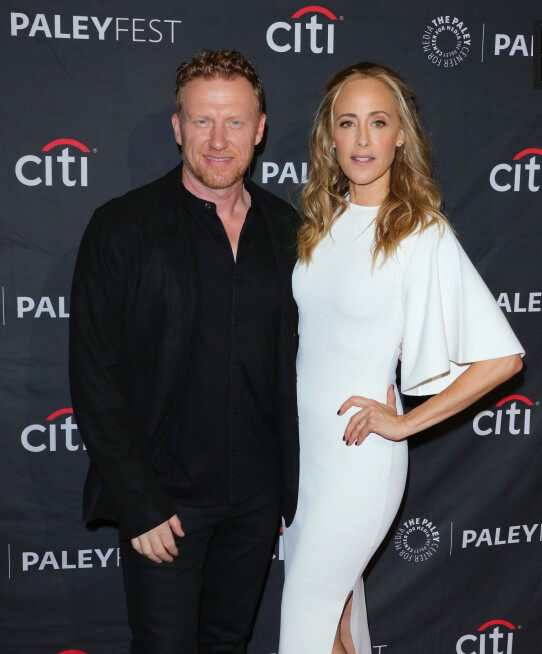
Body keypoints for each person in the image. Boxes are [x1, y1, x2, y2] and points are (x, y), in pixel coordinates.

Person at [278, 62, 524, 654]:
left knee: (304, 626)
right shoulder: (322, 223)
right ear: (329, 137)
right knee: (336, 624)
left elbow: (503, 359)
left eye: (378, 122)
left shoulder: (420, 232)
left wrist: (406, 421)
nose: (363, 140)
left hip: (361, 461)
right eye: (348, 123)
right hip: (306, 462)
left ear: (401, 135)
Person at [69, 49, 299, 654]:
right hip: (164, 507)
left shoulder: (290, 231)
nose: (218, 140)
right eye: (202, 121)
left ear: (260, 128)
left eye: (234, 122)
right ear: (178, 128)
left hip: (255, 503)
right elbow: (95, 377)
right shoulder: (121, 228)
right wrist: (137, 501)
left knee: (229, 642)